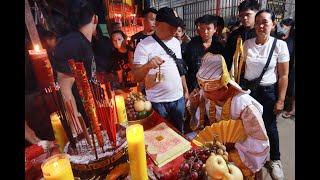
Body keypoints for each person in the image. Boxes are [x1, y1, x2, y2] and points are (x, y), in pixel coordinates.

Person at [188, 53, 269, 179]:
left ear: (225, 89)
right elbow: (200, 124)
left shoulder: (244, 106)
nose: (204, 94)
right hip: (215, 147)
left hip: (239, 154)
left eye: (208, 92)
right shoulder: (208, 94)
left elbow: (260, 142)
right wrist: (195, 105)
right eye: (203, 90)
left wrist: (232, 148)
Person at [242, 9, 290, 180]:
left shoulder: (280, 45)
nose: (261, 26)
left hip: (268, 92)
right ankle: (253, 159)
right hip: (248, 92)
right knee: (249, 127)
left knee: (270, 127)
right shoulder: (247, 44)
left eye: (265, 22)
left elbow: (284, 75)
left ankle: (275, 160)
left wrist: (281, 100)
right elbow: (240, 68)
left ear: (273, 24)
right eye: (258, 22)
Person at [131, 7, 186, 133]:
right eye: (171, 26)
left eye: (176, 26)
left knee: (179, 133)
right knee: (160, 136)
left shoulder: (176, 43)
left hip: (178, 99)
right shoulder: (143, 46)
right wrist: (148, 66)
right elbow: (135, 77)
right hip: (157, 102)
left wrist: (185, 89)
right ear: (157, 24)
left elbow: (179, 67)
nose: (175, 30)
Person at [52, 0, 98, 135]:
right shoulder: (72, 43)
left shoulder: (82, 41)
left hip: (90, 114)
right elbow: (65, 92)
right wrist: (77, 131)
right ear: (95, 18)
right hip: (82, 123)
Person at [183, 14, 225, 93]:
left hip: (214, 86)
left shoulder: (219, 47)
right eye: (202, 28)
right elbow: (186, 65)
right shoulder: (192, 44)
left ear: (215, 29)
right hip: (194, 86)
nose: (205, 32)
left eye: (208, 29)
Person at [224, 0, 260, 70]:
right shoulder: (235, 34)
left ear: (257, 14)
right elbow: (228, 56)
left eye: (248, 14)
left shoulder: (262, 34)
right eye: (241, 15)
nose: (244, 18)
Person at [276, 19, 295, 119]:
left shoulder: (290, 41)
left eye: (283, 26)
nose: (281, 28)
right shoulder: (278, 38)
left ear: (289, 28)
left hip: (286, 70)